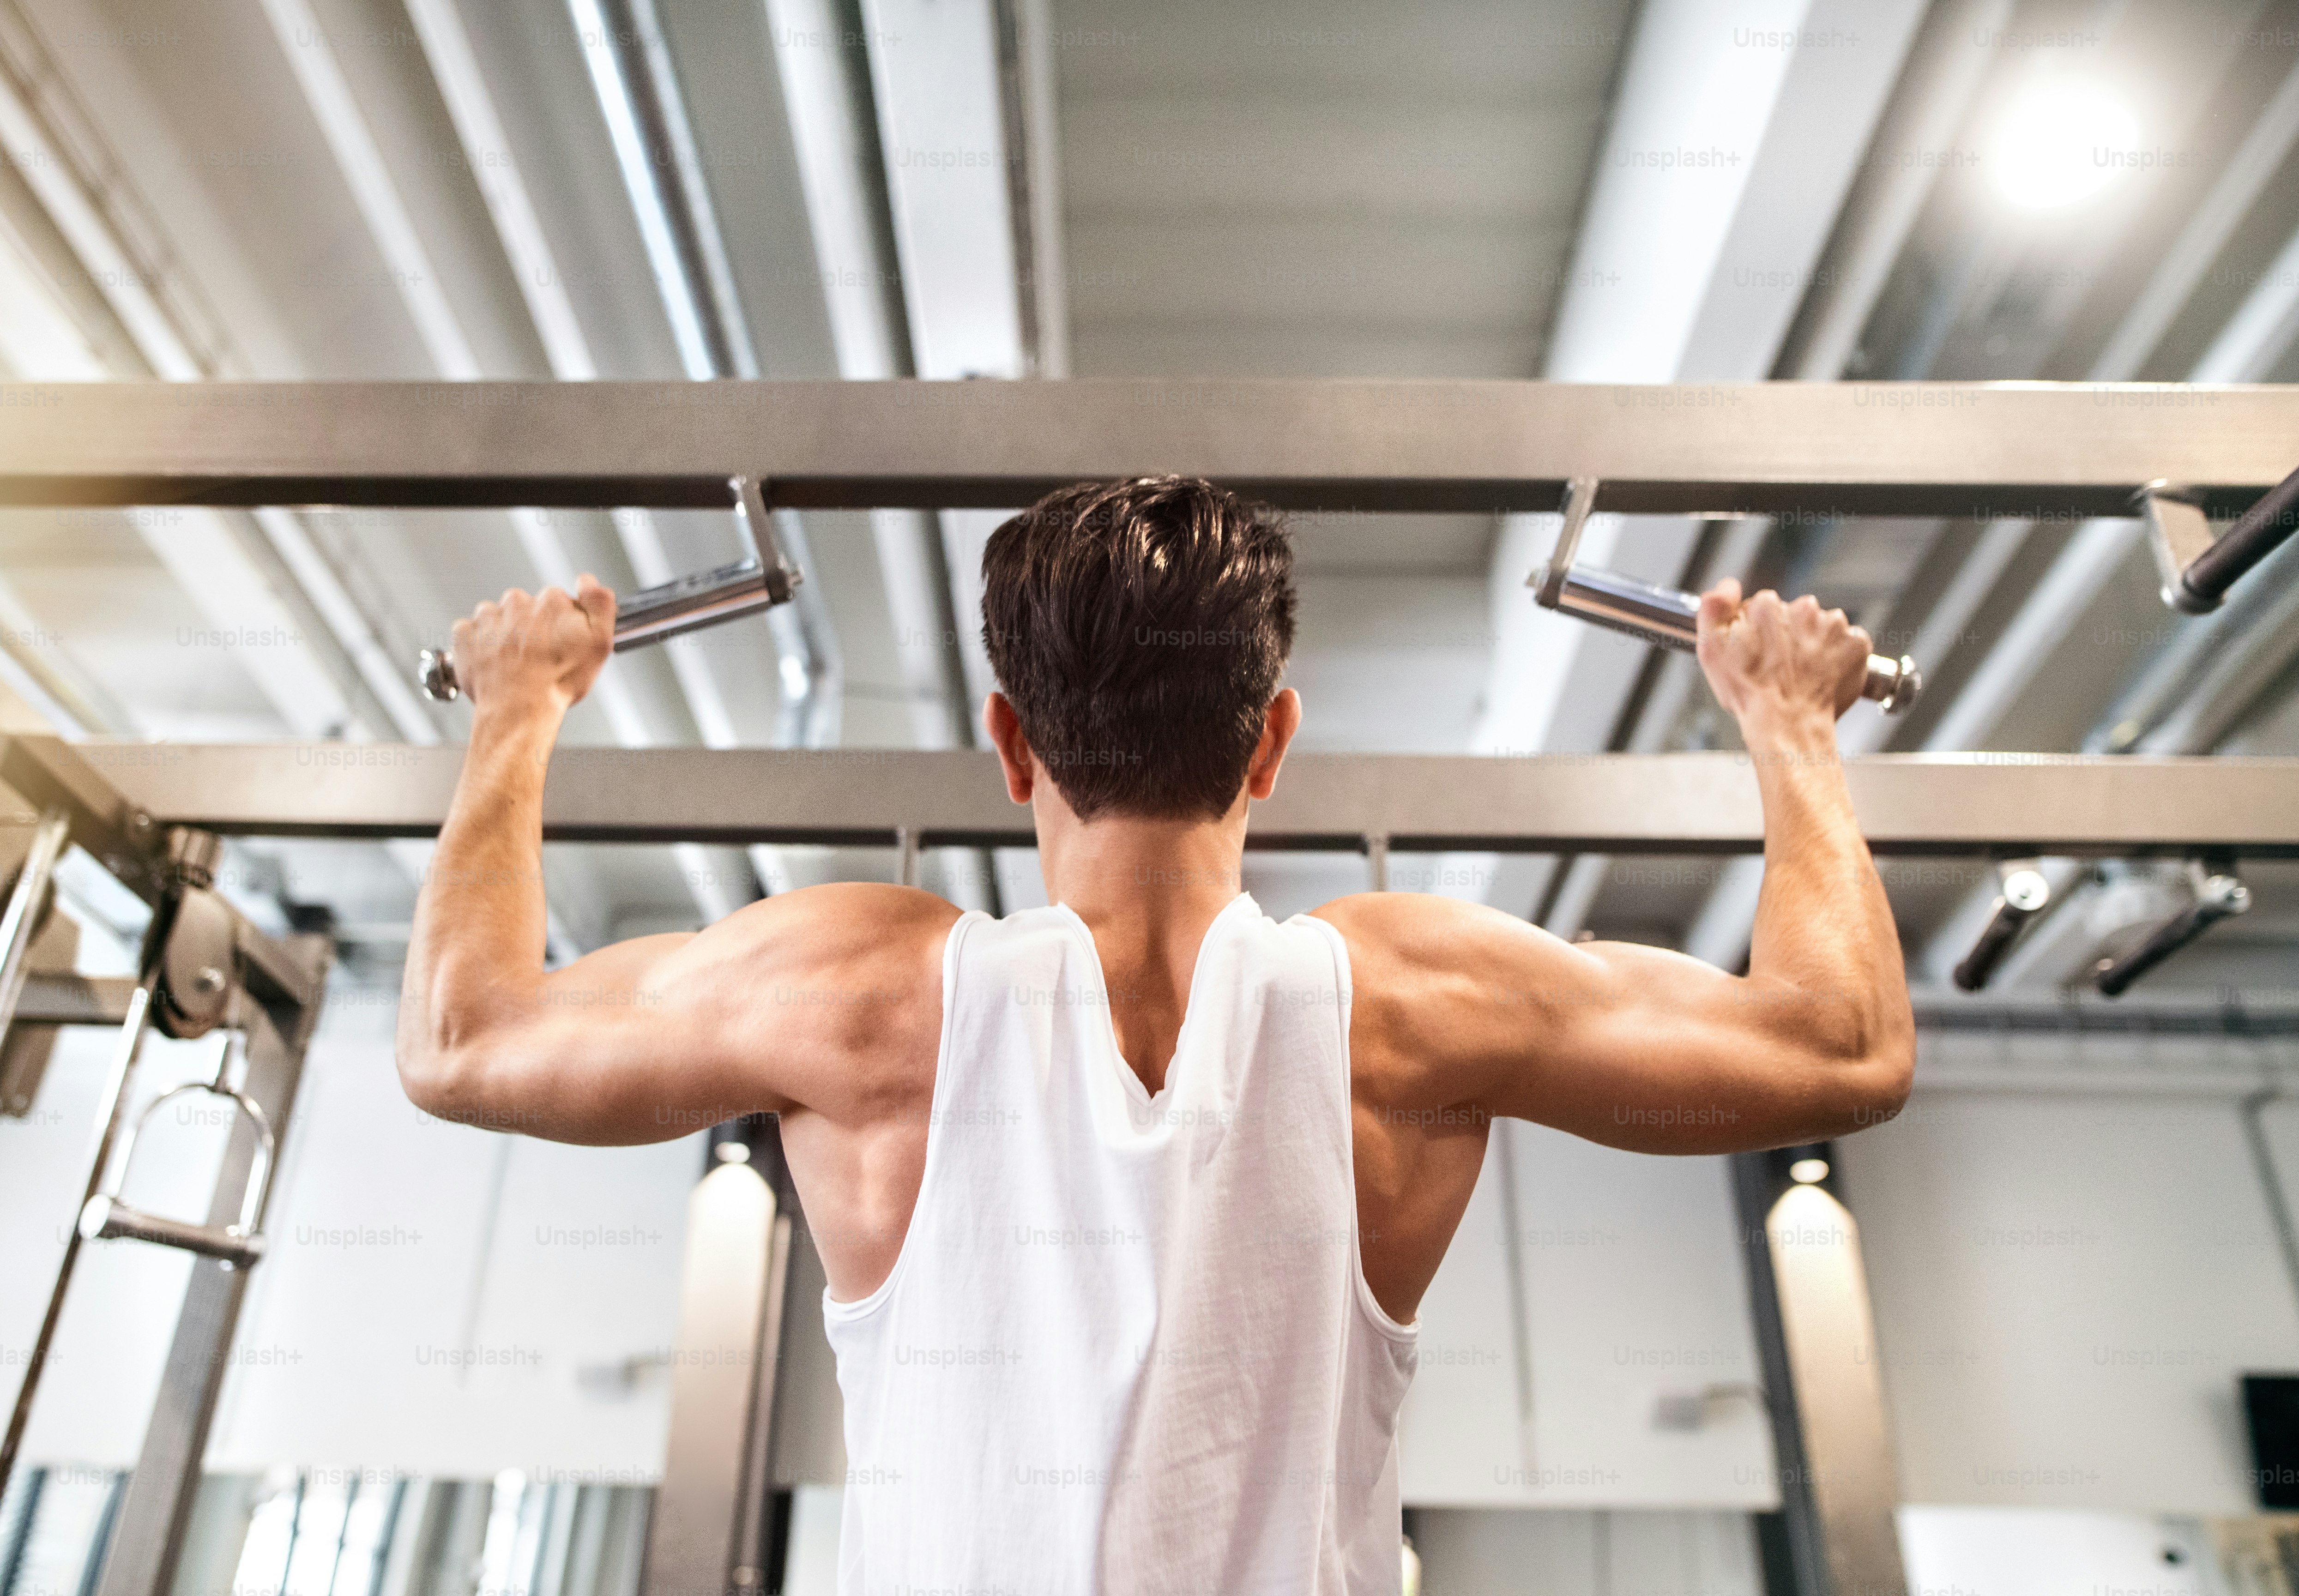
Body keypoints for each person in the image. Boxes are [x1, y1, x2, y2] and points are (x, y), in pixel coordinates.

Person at [397, 476, 1913, 1595]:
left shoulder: (855, 987)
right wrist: (1788, 724)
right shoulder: (1410, 1000)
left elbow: (462, 1035)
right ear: (1271, 738)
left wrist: (516, 708)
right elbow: (1841, 1045)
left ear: (1010, 743)